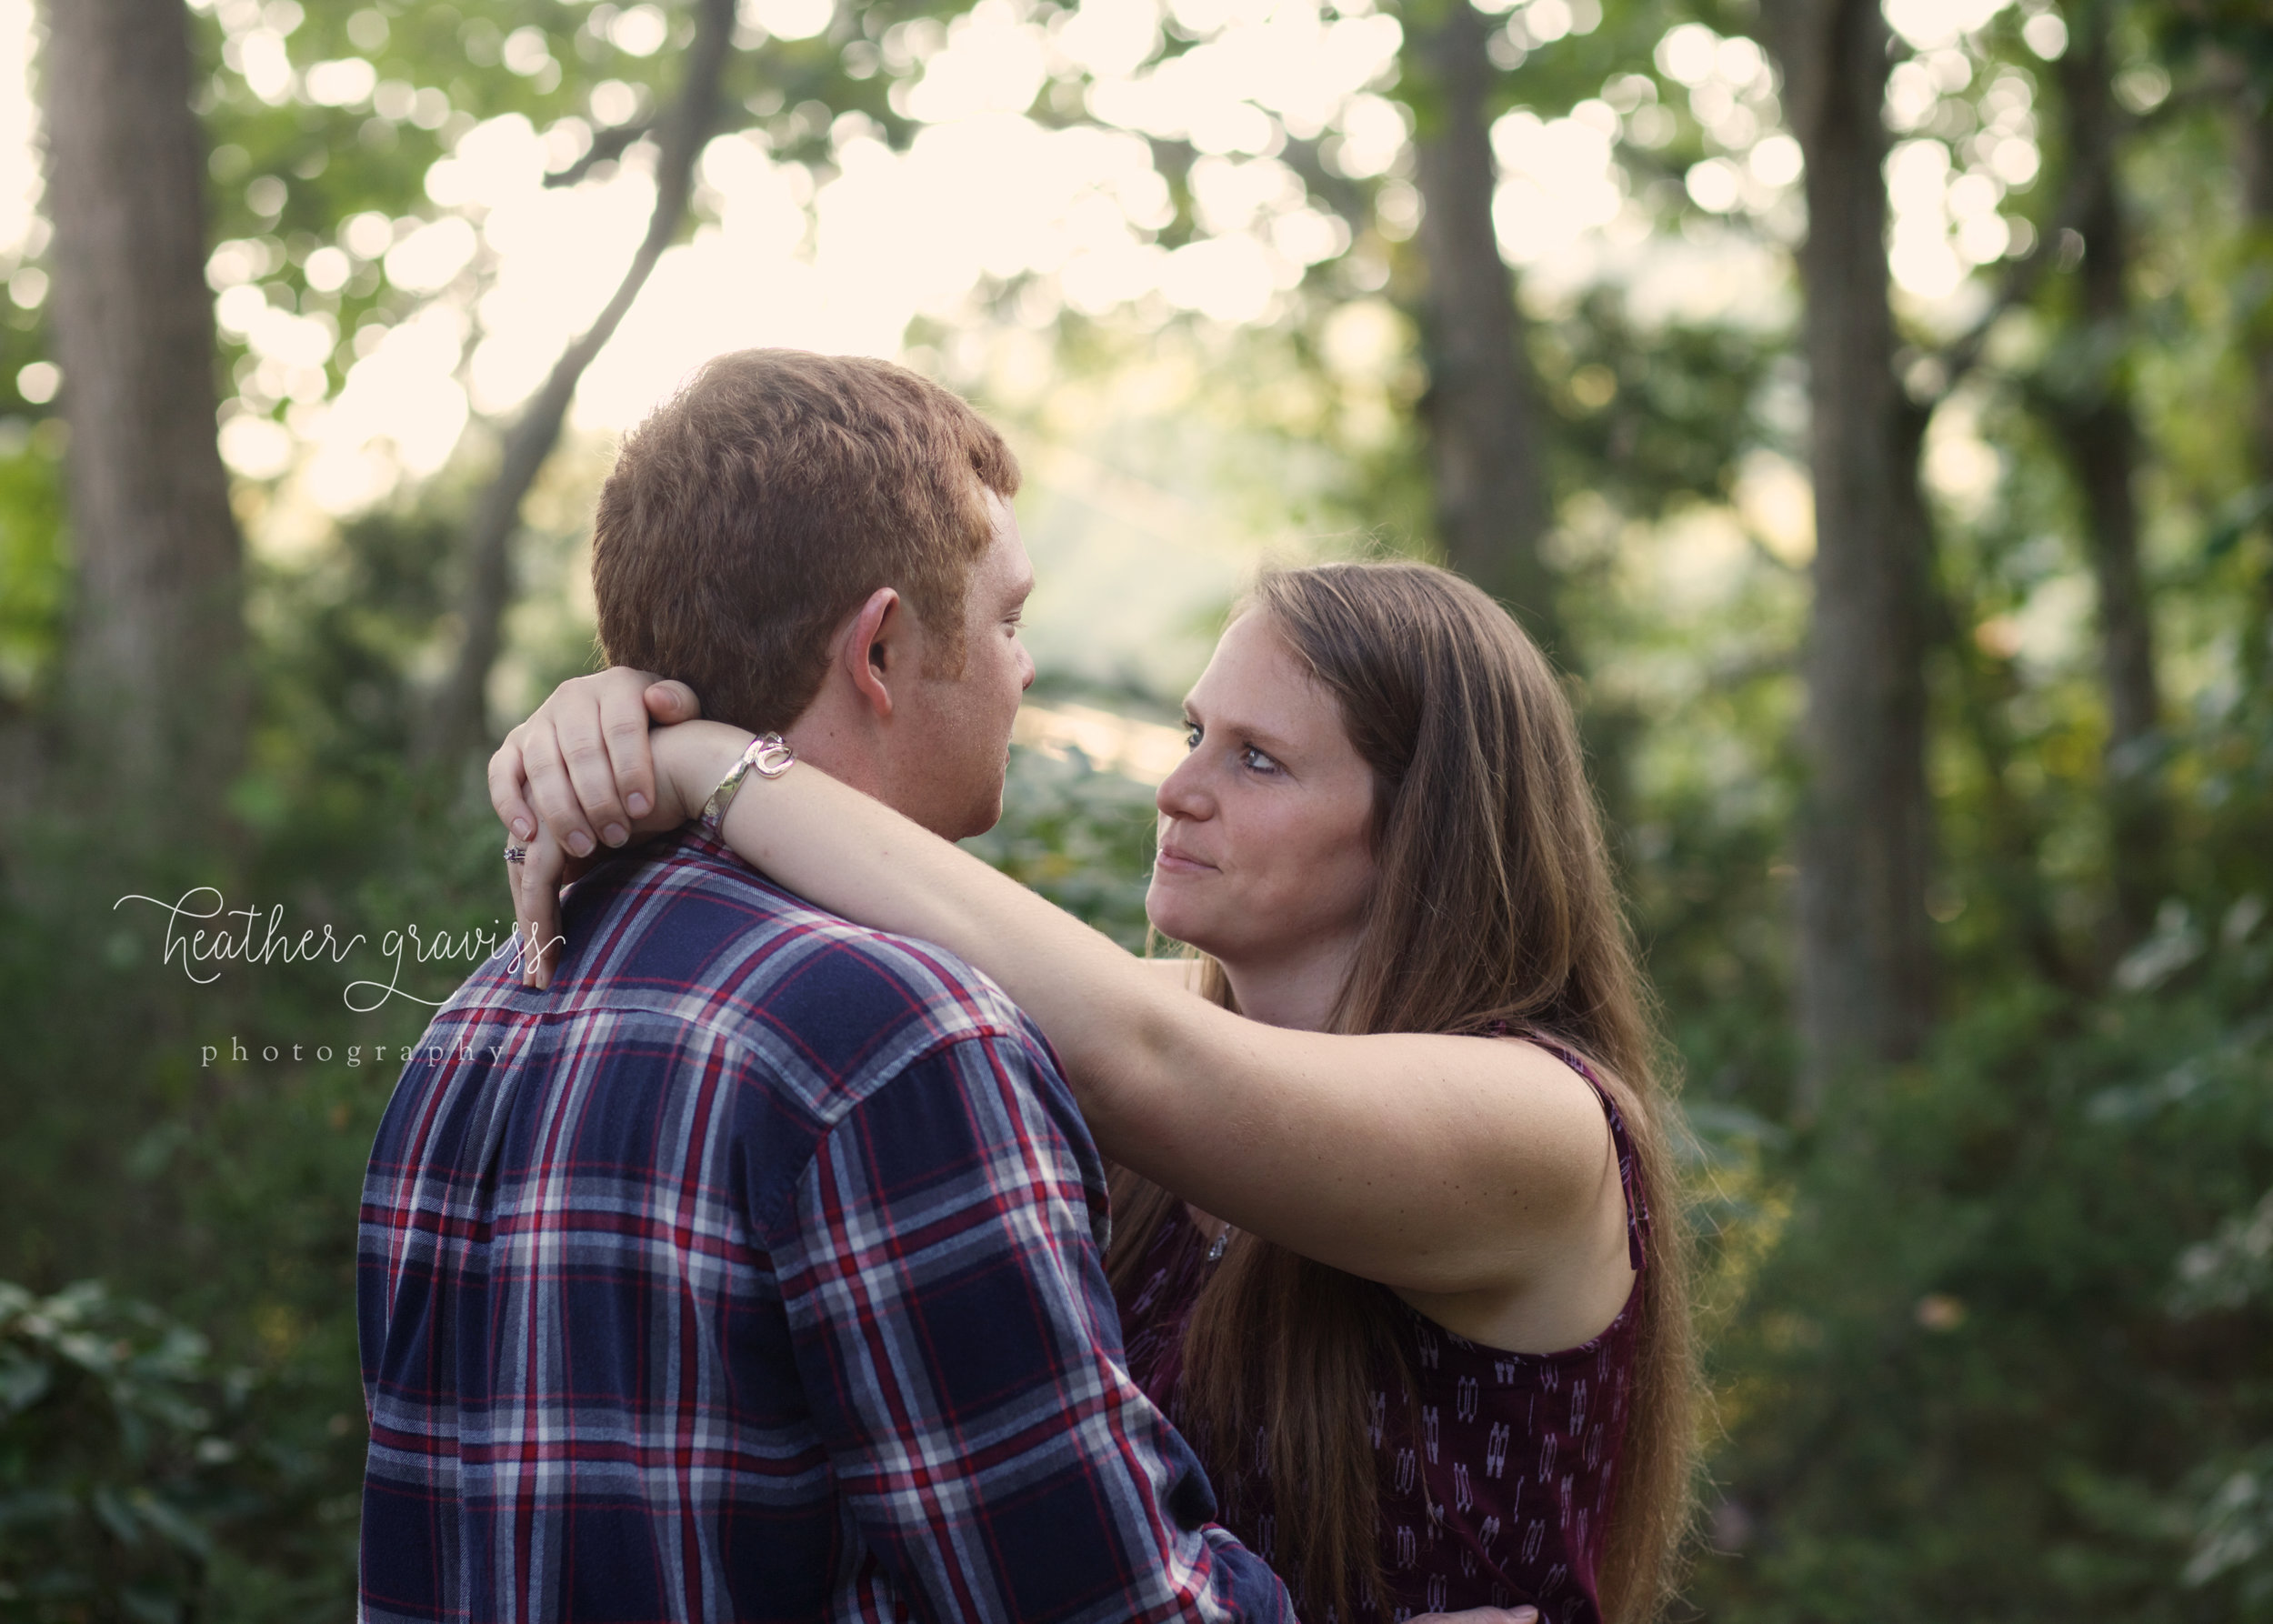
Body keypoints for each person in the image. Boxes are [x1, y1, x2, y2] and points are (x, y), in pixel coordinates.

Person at [494, 559, 1698, 1623]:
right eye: (1193, 734)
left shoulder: (1547, 1126)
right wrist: (617, 713)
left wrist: (711, 758)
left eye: (1260, 759)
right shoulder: (1159, 1025)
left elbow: (1135, 1051)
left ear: (1424, 831)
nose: (1178, 791)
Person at [357, 349, 1316, 1624]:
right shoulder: (899, 1041)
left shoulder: (473, 1022)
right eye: (1008, 621)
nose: (1021, 670)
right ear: (880, 647)